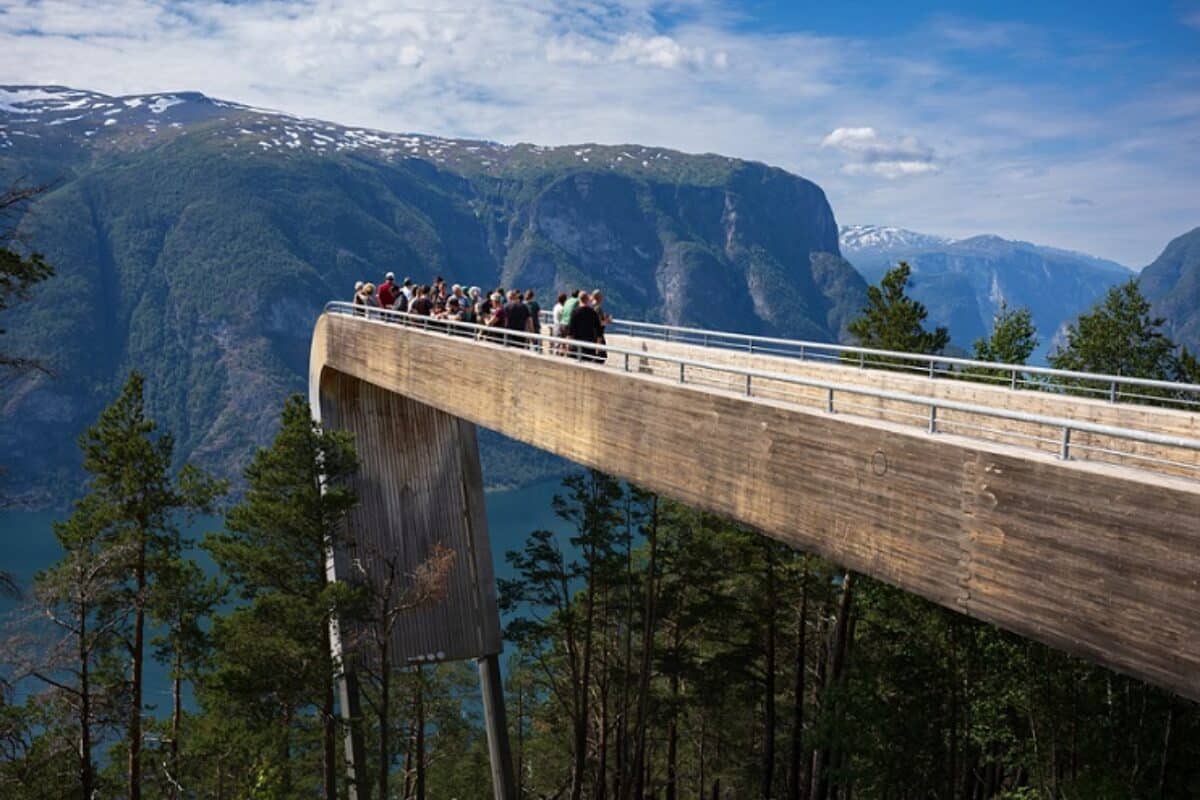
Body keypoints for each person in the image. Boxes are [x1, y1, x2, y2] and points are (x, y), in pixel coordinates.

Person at [567, 291, 604, 362]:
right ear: (587, 299)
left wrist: (569, 347)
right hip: (590, 347)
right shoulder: (593, 313)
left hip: (576, 346)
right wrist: (598, 349)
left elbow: (570, 331)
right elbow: (599, 332)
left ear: (579, 299)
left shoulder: (575, 312)